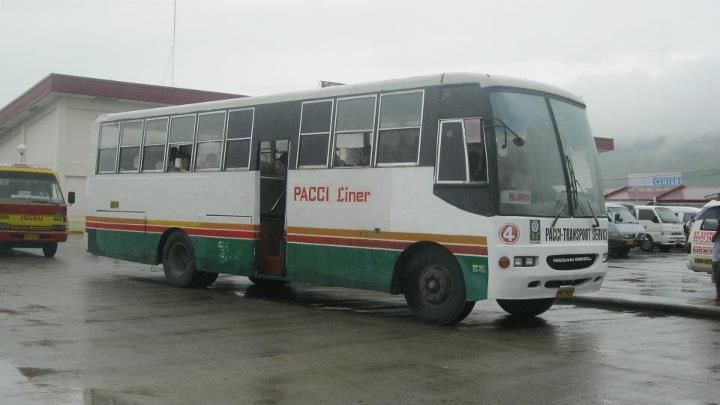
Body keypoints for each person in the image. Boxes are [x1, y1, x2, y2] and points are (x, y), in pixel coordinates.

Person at [712, 221, 720, 303]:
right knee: (717, 281)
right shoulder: (717, 235)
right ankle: (718, 296)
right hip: (716, 259)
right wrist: (718, 232)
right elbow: (712, 239)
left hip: (717, 260)